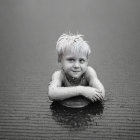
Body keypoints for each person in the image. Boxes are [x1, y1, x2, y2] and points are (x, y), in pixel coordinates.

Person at [48, 33, 105, 108]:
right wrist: (81, 90)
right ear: (60, 60)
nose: (77, 66)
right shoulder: (59, 75)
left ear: (87, 62)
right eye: (71, 60)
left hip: (85, 115)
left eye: (81, 60)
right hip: (65, 114)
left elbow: (101, 94)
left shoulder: (88, 72)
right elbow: (52, 93)